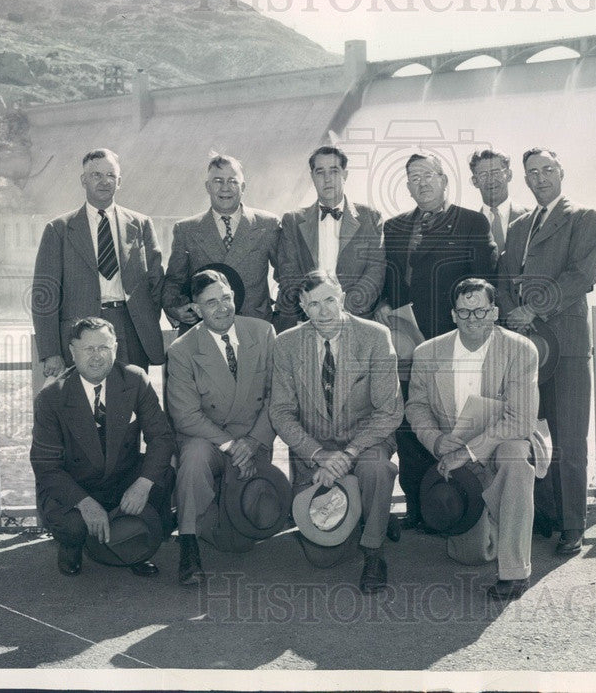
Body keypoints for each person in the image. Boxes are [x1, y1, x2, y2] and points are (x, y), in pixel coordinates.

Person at [376, 152, 497, 531]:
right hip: (406, 342)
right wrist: (382, 305)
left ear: (444, 180)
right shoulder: (393, 227)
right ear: (407, 186)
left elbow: (484, 282)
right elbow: (389, 281)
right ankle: (419, 507)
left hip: (454, 340)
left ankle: (467, 506)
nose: (422, 182)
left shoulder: (471, 222)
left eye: (429, 175)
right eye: (414, 177)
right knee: (413, 422)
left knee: (459, 420)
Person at [496, 147, 596, 556]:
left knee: (570, 440)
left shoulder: (583, 218)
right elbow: (504, 279)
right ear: (524, 180)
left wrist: (531, 308)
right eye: (532, 173)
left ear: (561, 172)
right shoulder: (519, 226)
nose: (540, 178)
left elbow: (582, 275)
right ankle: (546, 519)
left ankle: (573, 528)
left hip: (568, 347)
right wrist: (511, 312)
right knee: (526, 433)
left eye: (547, 170)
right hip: (525, 347)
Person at [406, 279, 540, 600]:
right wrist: (437, 442)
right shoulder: (427, 353)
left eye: (481, 311)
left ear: (494, 312)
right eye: (464, 312)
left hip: (500, 441)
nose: (473, 320)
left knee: (516, 461)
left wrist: (467, 452)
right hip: (451, 446)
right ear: (453, 315)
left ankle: (514, 571)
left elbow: (521, 419)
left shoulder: (521, 349)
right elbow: (416, 408)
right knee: (472, 556)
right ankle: (495, 522)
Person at [270, 271, 403, 592]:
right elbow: (281, 412)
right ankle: (370, 509)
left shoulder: (375, 336)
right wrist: (317, 454)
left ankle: (374, 550)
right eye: (313, 304)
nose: (324, 311)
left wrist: (348, 454)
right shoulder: (286, 344)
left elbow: (389, 410)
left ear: (342, 297)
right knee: (322, 558)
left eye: (330, 300)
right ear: (302, 307)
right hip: (314, 450)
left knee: (376, 469)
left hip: (365, 442)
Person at [31, 317, 176, 577]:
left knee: (162, 476)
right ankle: (71, 546)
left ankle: (135, 542)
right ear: (72, 352)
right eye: (88, 349)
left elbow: (162, 437)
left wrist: (142, 485)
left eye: (104, 348)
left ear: (116, 349)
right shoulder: (51, 397)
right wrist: (84, 503)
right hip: (77, 485)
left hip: (121, 478)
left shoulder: (135, 379)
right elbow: (45, 466)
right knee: (73, 525)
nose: (97, 356)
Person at [166, 269, 277, 585]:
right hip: (210, 438)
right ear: (197, 310)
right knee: (194, 457)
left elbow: (277, 397)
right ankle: (188, 545)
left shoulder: (263, 332)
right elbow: (185, 415)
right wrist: (232, 445)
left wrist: (254, 441)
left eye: (226, 298)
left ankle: (216, 518)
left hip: (254, 437)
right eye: (210, 303)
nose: (222, 308)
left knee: (239, 544)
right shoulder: (182, 350)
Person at [32, 148, 165, 374]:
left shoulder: (141, 224)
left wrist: (147, 321)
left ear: (119, 181)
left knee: (130, 398)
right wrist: (51, 351)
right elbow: (45, 294)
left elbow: (156, 282)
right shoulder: (59, 229)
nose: (104, 181)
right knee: (87, 405)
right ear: (83, 180)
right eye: (96, 175)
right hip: (81, 334)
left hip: (130, 329)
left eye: (110, 175)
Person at [163, 154, 280, 328]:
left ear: (243, 187)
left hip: (256, 327)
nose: (225, 188)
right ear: (207, 187)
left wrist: (279, 317)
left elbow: (287, 276)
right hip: (205, 329)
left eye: (232, 181)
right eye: (218, 181)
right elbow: (174, 281)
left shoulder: (268, 225)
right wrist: (175, 308)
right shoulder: (186, 230)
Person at [276, 146, 386, 330]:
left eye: (334, 171)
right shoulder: (293, 221)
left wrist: (342, 312)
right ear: (312, 176)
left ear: (345, 174)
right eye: (320, 172)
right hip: (306, 321)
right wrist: (314, 310)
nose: (327, 179)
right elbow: (288, 273)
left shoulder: (370, 218)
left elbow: (375, 272)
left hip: (355, 320)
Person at [469, 149, 530, 256]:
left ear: (509, 175)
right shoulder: (468, 227)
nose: (491, 180)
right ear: (475, 181)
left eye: (496, 173)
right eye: (483, 175)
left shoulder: (533, 218)